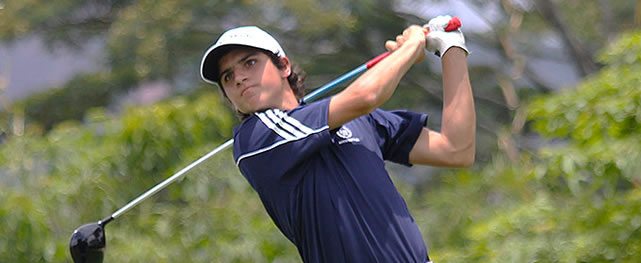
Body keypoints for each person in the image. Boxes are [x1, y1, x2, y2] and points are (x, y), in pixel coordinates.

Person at [199, 15, 475, 263]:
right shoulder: (256, 139)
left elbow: (455, 149)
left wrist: (451, 48)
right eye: (228, 76)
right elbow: (366, 96)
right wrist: (410, 48)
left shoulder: (356, 118)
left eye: (249, 63)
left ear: (283, 65)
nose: (239, 79)